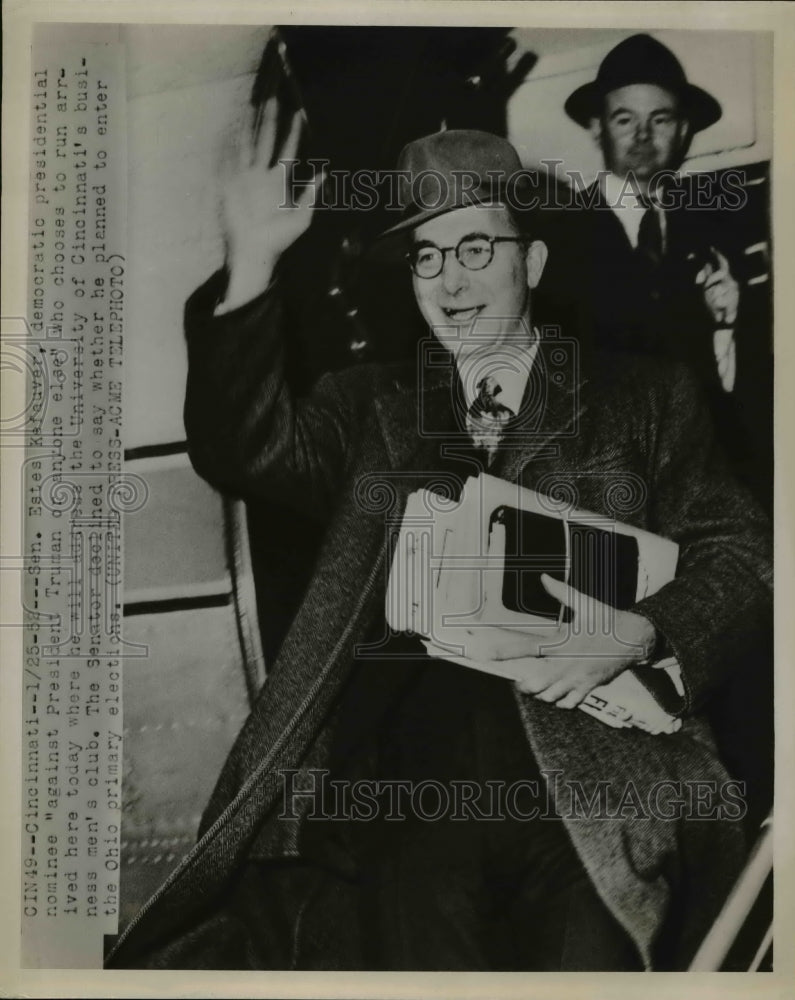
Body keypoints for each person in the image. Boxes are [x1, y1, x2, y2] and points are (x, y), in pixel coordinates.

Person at [105, 110, 772, 971]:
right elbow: (245, 447)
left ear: (529, 261)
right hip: (401, 800)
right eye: (426, 256)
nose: (449, 279)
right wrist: (252, 264)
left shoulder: (643, 396)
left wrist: (639, 631)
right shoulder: (366, 405)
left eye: (474, 249)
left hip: (593, 783)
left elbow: (741, 552)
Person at [541, 33, 771, 509]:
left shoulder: (715, 237)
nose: (642, 136)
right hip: (598, 494)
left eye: (660, 119)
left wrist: (725, 325)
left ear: (684, 132)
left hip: (706, 489)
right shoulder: (553, 239)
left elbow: (739, 401)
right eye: (624, 118)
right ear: (596, 129)